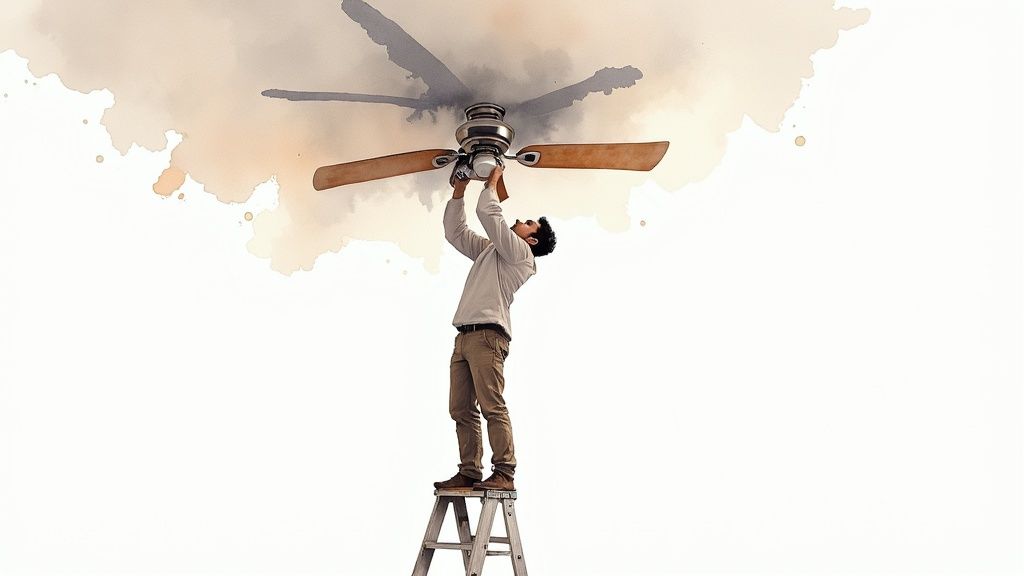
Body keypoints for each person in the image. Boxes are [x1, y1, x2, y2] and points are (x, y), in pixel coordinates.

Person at [433, 163, 557, 491]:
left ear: (531, 240)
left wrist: (493, 179)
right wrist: (458, 190)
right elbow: (456, 233)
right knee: (460, 408)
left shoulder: (520, 256)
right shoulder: (493, 253)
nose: (521, 220)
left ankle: (504, 471)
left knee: (491, 405)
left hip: (488, 336)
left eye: (528, 223)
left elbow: (489, 213)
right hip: (465, 336)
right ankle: (470, 470)